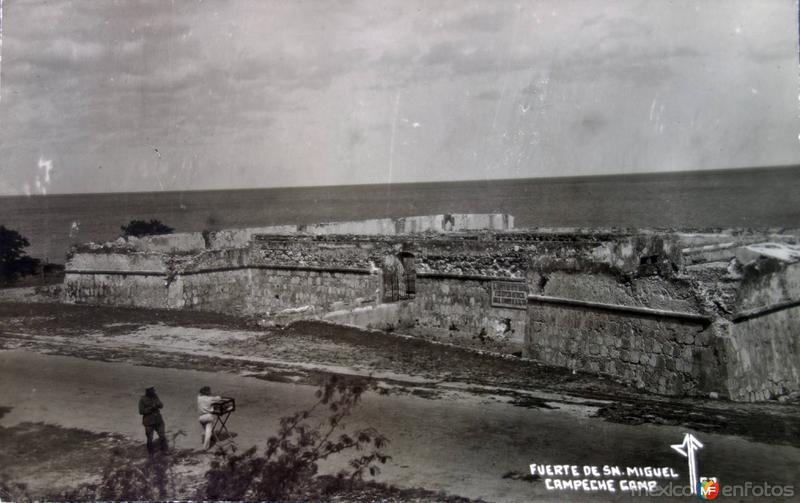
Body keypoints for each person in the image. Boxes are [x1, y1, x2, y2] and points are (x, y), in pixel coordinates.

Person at [138, 386, 167, 454]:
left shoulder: (155, 396)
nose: (154, 392)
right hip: (149, 422)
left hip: (158, 420)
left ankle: (164, 450)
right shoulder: (142, 400)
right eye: (152, 391)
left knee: (162, 436)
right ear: (148, 392)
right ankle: (151, 453)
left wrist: (159, 404)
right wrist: (151, 408)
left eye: (153, 390)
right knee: (150, 438)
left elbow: (161, 405)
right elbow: (141, 411)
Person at [197, 386, 223, 450]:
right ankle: (205, 447)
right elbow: (219, 398)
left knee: (207, 430)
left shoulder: (199, 398)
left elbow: (199, 395)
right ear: (208, 393)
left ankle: (212, 437)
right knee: (208, 431)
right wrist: (213, 395)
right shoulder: (210, 399)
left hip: (200, 418)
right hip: (208, 416)